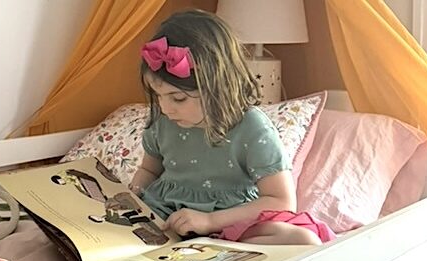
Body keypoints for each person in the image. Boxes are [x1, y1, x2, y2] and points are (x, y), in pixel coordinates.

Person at [128, 10, 334, 245]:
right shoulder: (163, 122)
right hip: (168, 219)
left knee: (303, 240)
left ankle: (221, 255)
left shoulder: (251, 128)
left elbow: (281, 200)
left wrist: (210, 221)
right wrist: (134, 193)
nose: (165, 108)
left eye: (178, 98)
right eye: (158, 96)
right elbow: (149, 171)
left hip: (230, 223)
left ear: (216, 85)